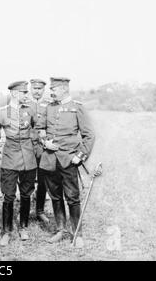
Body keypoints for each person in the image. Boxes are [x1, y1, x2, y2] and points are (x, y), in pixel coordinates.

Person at [38, 77, 95, 244]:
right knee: (55, 197)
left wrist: (80, 155)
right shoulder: (49, 107)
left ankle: (77, 234)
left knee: (72, 197)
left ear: (63, 88)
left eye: (53, 89)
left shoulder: (77, 107)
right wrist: (44, 141)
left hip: (69, 159)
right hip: (49, 159)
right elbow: (40, 129)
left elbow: (89, 135)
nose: (51, 91)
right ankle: (60, 230)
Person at [0, 81, 39, 246]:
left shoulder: (30, 110)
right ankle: (6, 231)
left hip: (28, 158)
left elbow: (36, 128)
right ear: (14, 93)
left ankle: (23, 227)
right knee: (8, 195)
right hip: (10, 158)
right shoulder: (2, 112)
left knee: (26, 194)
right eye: (23, 93)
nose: (26, 95)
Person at [29, 79, 51, 225]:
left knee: (43, 180)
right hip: (29, 146)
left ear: (44, 89)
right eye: (34, 88)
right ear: (31, 88)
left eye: (40, 88)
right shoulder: (25, 103)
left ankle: (40, 210)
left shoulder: (49, 104)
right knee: (27, 179)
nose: (37, 91)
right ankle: (25, 210)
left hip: (43, 147)